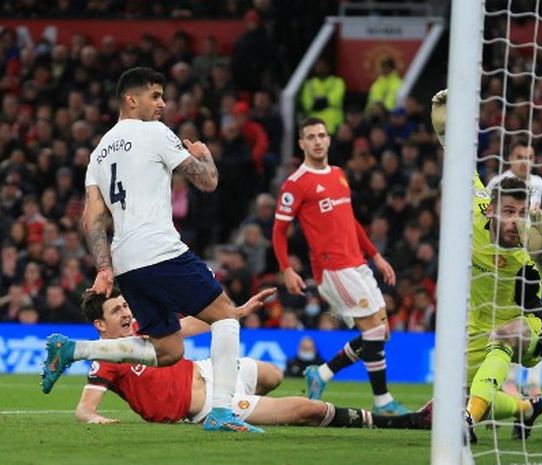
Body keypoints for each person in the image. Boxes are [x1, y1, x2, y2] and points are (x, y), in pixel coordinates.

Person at [41, 67, 274, 434]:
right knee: (226, 315)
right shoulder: (154, 133)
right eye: (155, 96)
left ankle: (75, 350)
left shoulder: (99, 152)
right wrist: (204, 155)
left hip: (127, 263)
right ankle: (222, 412)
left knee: (168, 352)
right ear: (131, 100)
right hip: (161, 250)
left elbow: (92, 219)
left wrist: (104, 268)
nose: (163, 103)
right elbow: (208, 182)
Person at [76, 289, 432, 431]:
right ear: (99, 325)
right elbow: (85, 409)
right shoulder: (106, 360)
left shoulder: (140, 329)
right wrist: (97, 420)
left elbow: (186, 326)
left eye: (124, 305)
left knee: (274, 374)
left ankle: (257, 403)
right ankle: (402, 423)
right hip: (205, 404)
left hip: (208, 370)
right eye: (116, 310)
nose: (125, 312)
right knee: (303, 410)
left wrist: (236, 311)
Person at [431, 92, 542, 443]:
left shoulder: (529, 240)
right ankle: (526, 409)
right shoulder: (474, 209)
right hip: (477, 324)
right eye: (508, 212)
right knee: (460, 395)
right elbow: (460, 164)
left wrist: (541, 256)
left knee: (502, 337)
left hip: (527, 327)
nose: (515, 221)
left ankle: (465, 423)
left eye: (520, 214)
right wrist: (446, 134)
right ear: (490, 210)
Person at [272, 117, 408, 415]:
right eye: (311, 136)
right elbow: (279, 230)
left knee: (380, 331)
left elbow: (351, 222)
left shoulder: (338, 174)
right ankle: (383, 401)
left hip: (357, 263)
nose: (318, 141)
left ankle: (321, 374)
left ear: (329, 140)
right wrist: (286, 268)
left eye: (322, 135)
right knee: (373, 329)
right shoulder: (295, 184)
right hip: (332, 268)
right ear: (302, 143)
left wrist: (376, 256)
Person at [486, 137, 542, 396]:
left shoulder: (538, 183)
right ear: (510, 158)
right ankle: (508, 381)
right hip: (502, 259)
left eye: (531, 157)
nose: (526, 162)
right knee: (506, 317)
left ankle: (534, 385)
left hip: (529, 258)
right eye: (521, 156)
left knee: (535, 316)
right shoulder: (496, 184)